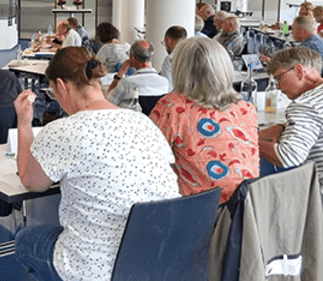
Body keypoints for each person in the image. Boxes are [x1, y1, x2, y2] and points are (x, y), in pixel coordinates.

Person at [13, 47, 179, 281]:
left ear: (60, 85)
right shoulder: (144, 123)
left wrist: (24, 122)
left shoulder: (62, 130)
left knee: (25, 241)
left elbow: (32, 182)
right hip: (155, 274)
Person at [149, 37, 259, 203]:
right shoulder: (246, 108)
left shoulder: (172, 106)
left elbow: (148, 158)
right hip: (246, 207)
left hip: (200, 211)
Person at [259, 47, 323, 195]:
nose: (277, 86)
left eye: (279, 78)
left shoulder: (304, 105)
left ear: (299, 71)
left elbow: (288, 156)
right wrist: (283, 126)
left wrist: (248, 142)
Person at [106, 40, 170, 107]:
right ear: (152, 56)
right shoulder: (165, 82)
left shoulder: (126, 83)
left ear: (132, 58)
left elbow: (108, 101)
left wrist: (121, 72)